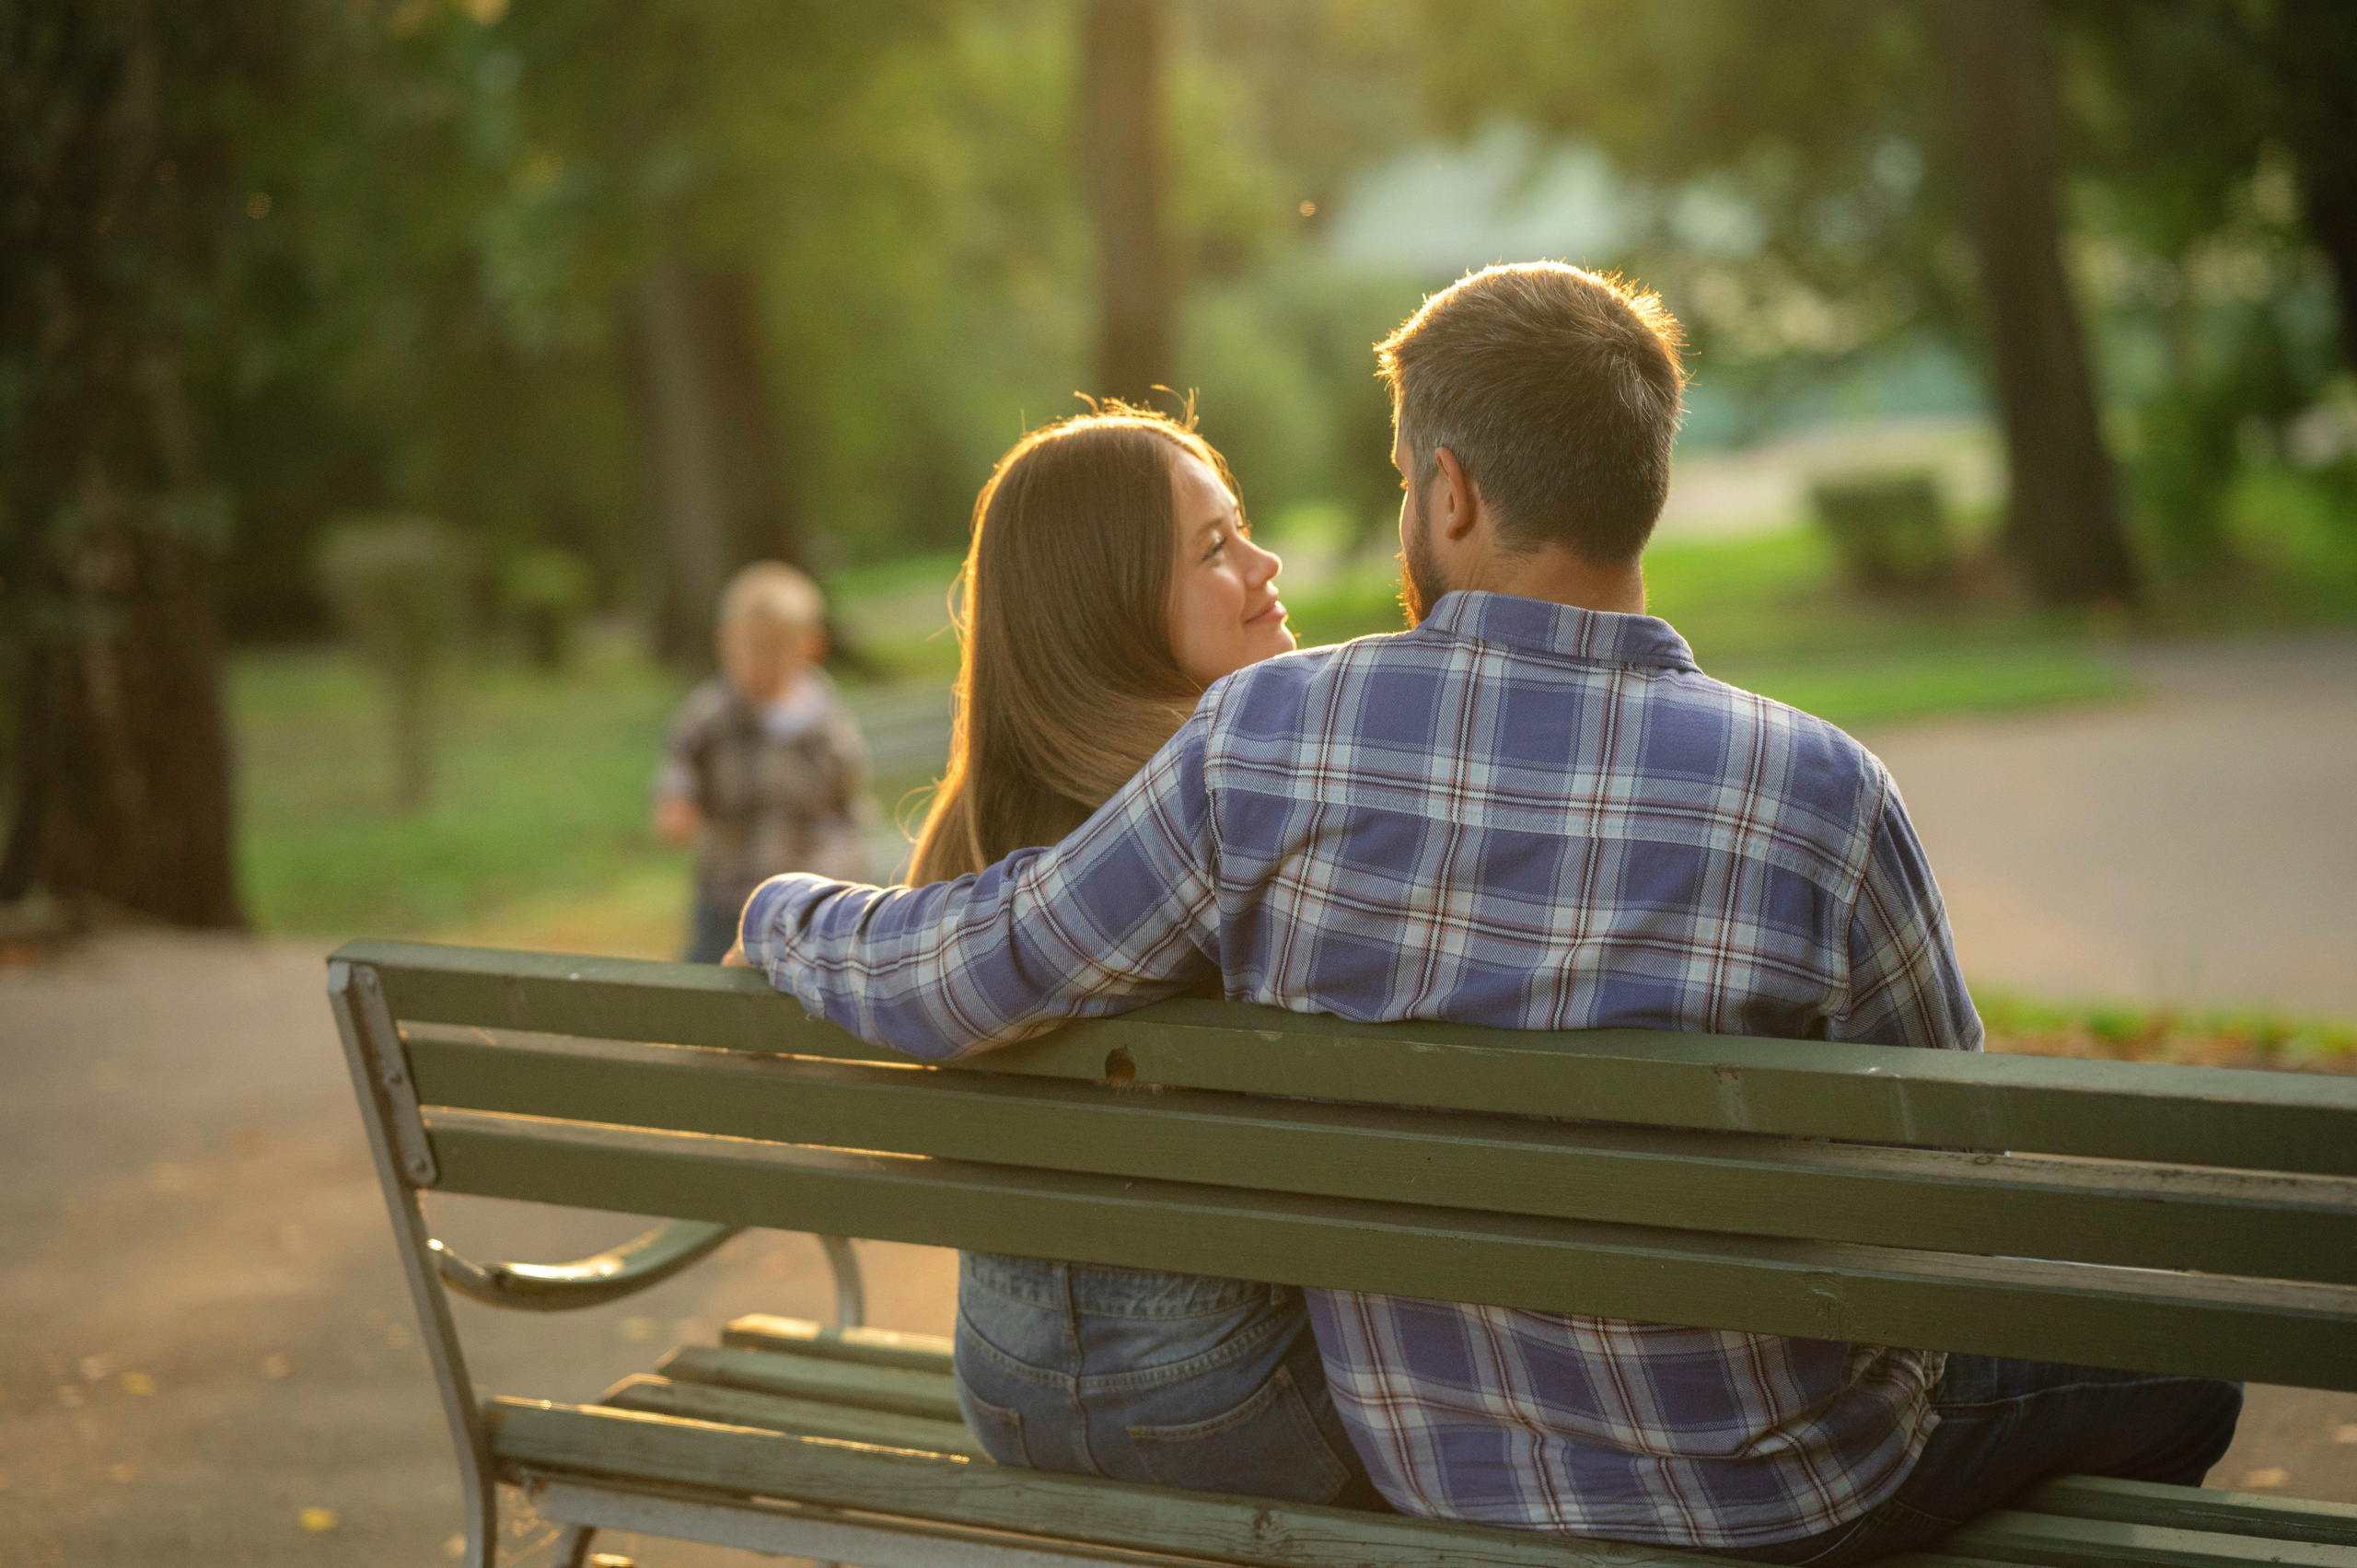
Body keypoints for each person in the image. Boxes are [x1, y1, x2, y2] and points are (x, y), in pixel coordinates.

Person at [732, 264, 2240, 1562]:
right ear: (1639, 477)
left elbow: (977, 962)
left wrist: (785, 914)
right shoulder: (1825, 792)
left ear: (1450, 490)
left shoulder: (1270, 742)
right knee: (2189, 1370)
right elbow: (1954, 1178)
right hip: (1771, 1490)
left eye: (1401, 482)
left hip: (1433, 1462)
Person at [882, 405, 1379, 1506]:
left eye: (1241, 529)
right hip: (1244, 1401)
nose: (1263, 562)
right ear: (1106, 604)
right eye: (1214, 547)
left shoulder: (960, 843)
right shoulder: (1238, 821)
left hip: (1004, 1391)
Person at [655, 562, 872, 964]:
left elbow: (847, 807)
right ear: (724, 643)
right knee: (706, 988)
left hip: (807, 900)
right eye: (747, 647)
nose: (758, 661)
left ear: (810, 646)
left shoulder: (827, 726)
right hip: (729, 893)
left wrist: (846, 871)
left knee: (801, 997)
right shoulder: (711, 716)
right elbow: (680, 766)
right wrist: (676, 805)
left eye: (773, 648)